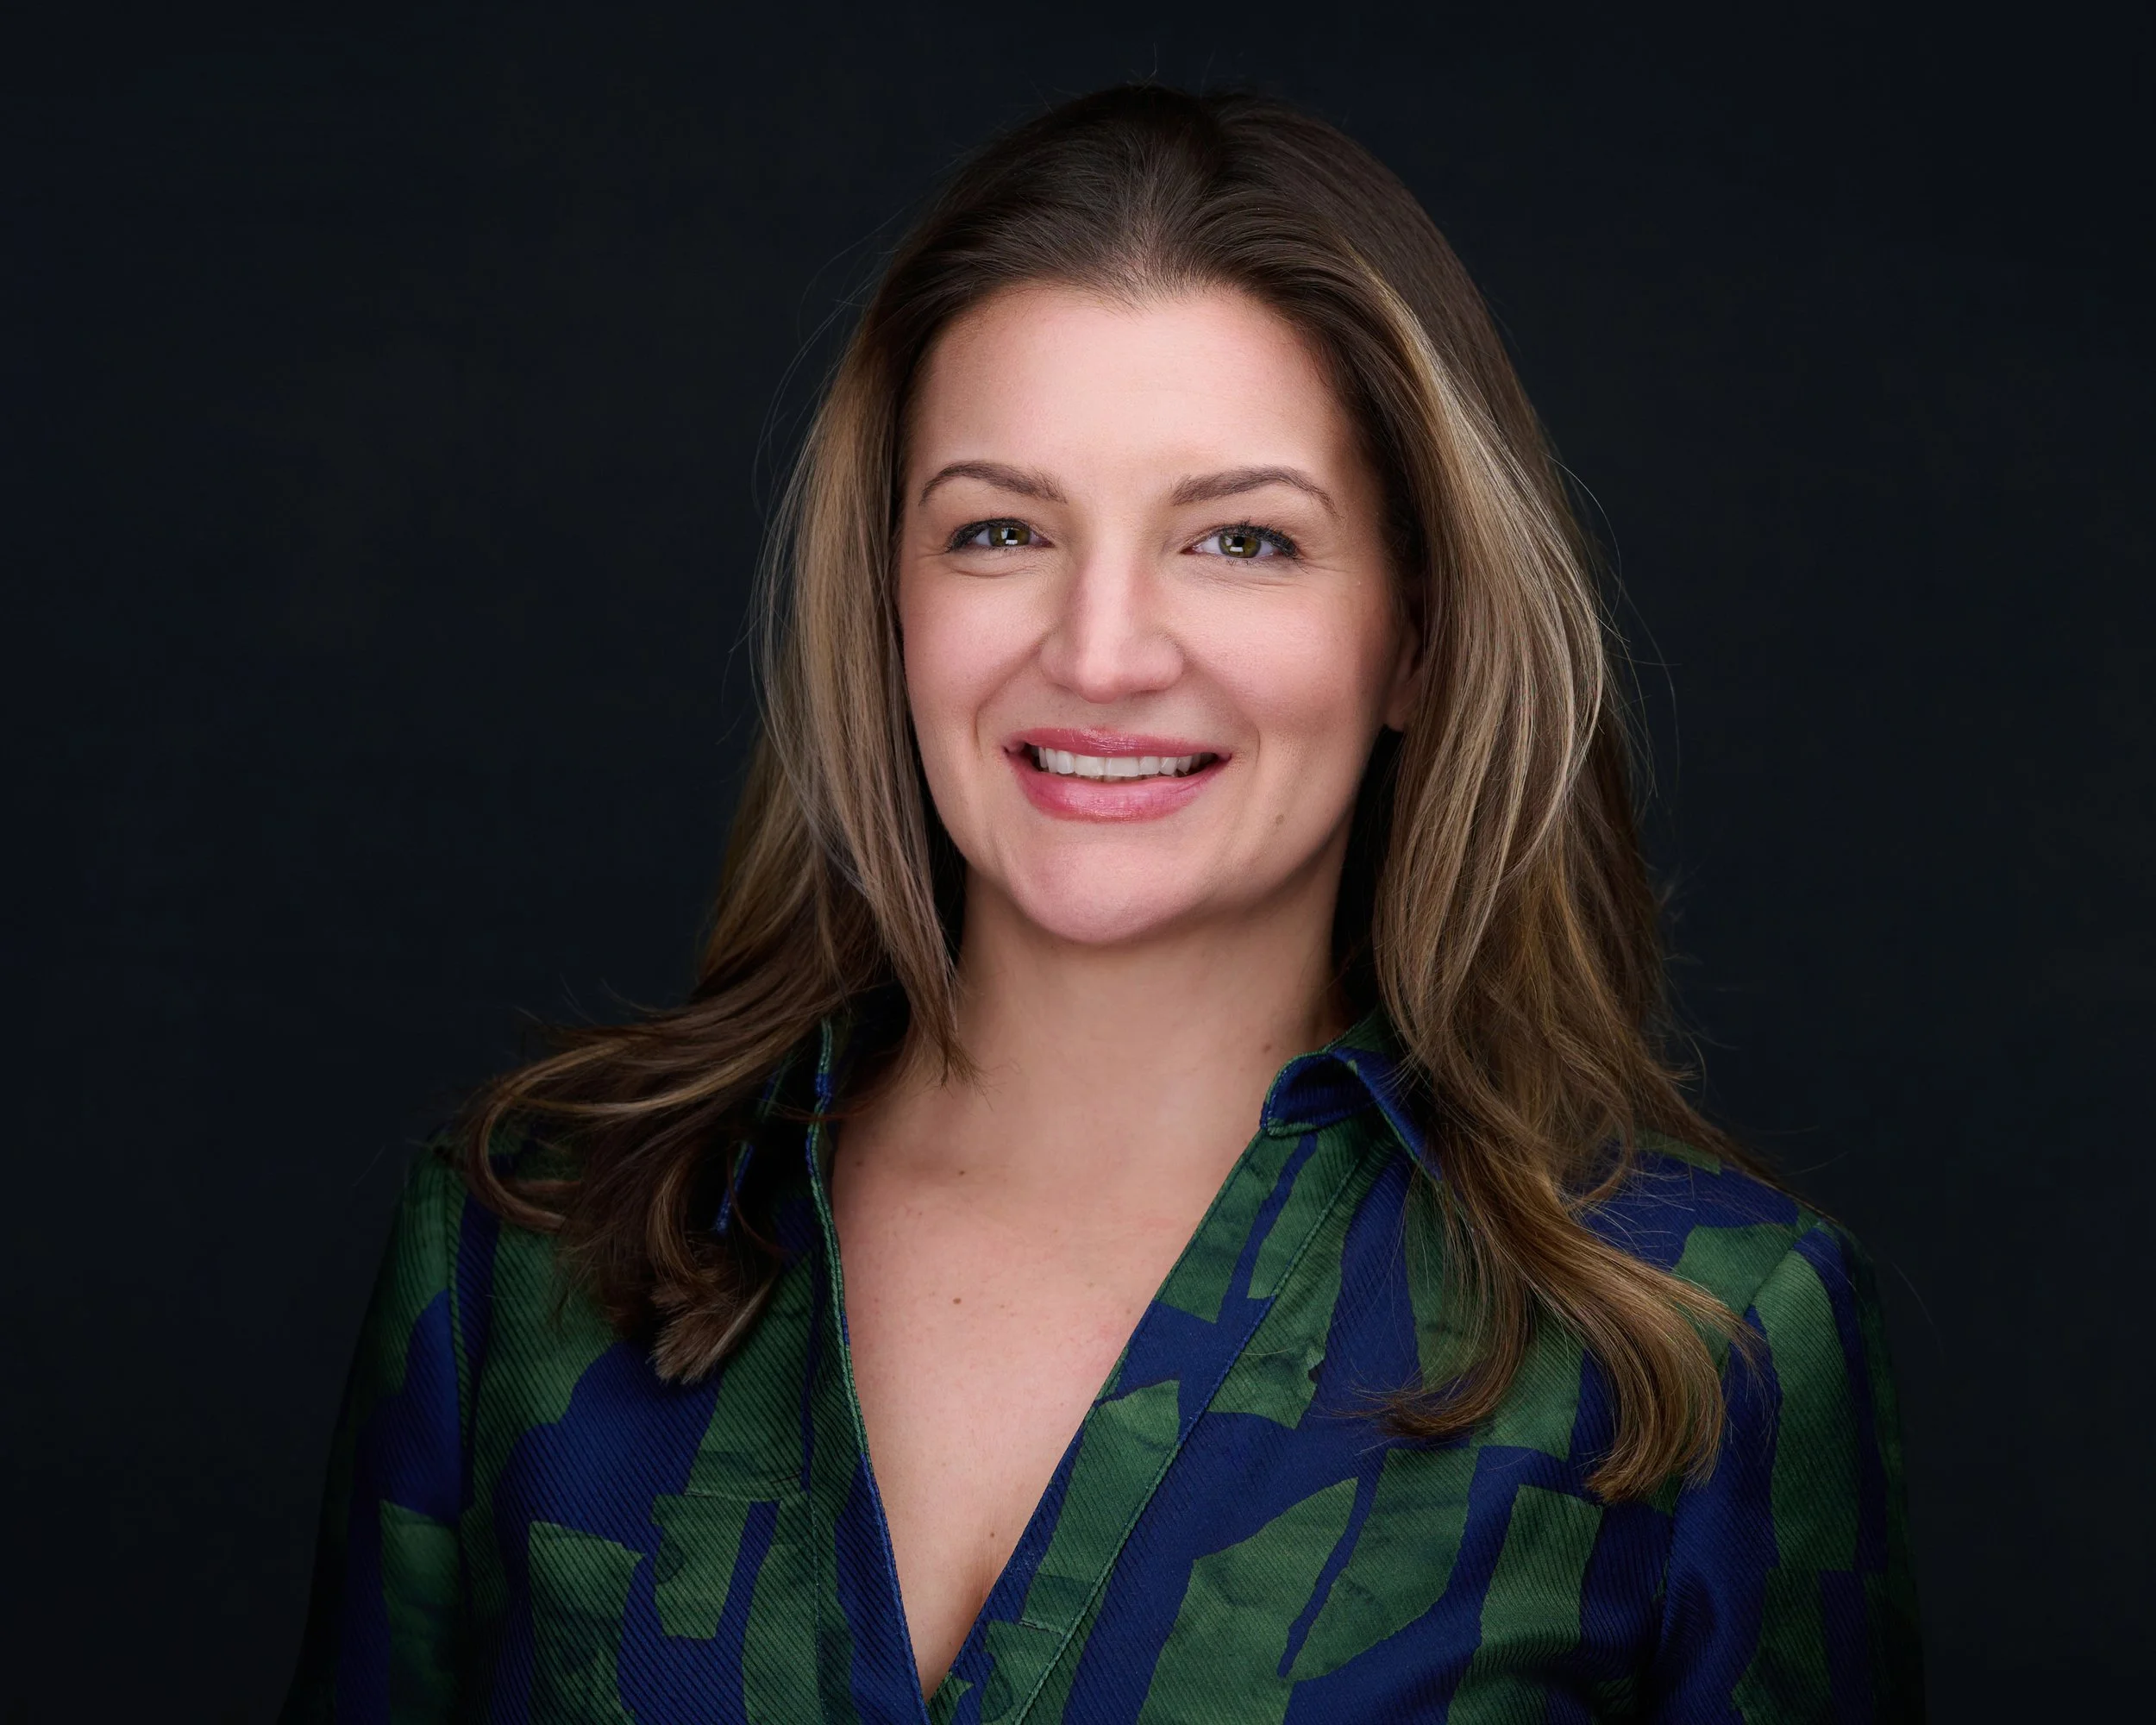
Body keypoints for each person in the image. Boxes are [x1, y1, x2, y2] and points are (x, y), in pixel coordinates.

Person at [281, 85, 1921, 1723]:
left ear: (1414, 634)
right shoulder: (532, 1253)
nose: (1103, 651)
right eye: (999, 530)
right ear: (888, 603)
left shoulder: (1695, 1344)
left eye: (1243, 541)